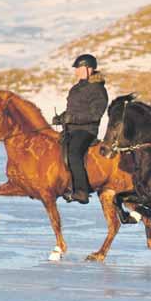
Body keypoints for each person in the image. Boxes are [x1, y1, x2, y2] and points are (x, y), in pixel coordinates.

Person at [52, 54, 108, 204]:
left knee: (74, 152)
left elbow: (95, 114)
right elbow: (74, 110)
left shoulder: (98, 90)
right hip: (70, 130)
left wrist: (72, 119)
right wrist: (62, 117)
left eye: (78, 68)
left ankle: (82, 192)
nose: (76, 71)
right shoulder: (76, 88)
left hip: (86, 131)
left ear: (89, 69)